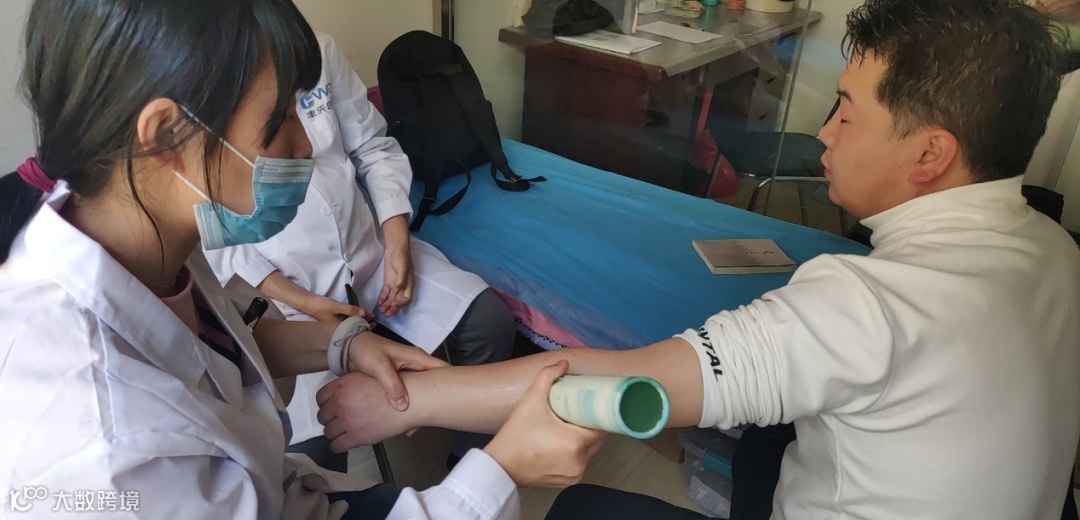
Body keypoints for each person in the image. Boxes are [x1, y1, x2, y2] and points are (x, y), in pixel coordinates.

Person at [317, 1, 1080, 518]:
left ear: (931, 154)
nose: (825, 133)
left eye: (847, 112)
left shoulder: (868, 303)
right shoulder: (1054, 247)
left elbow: (627, 378)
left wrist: (410, 400)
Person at [0, 1, 602, 519]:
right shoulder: (103, 455)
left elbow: (208, 344)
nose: (307, 145)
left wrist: (343, 343)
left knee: (483, 320)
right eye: (281, 119)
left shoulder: (135, 229)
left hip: (301, 432)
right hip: (283, 443)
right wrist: (501, 471)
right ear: (164, 136)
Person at [203, 29, 515, 472]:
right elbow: (215, 233)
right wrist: (304, 301)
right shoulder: (194, 79)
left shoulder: (316, 47)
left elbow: (373, 147)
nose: (305, 147)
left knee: (488, 322)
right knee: (314, 451)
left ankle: (469, 458)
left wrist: (396, 239)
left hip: (370, 256)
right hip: (287, 298)